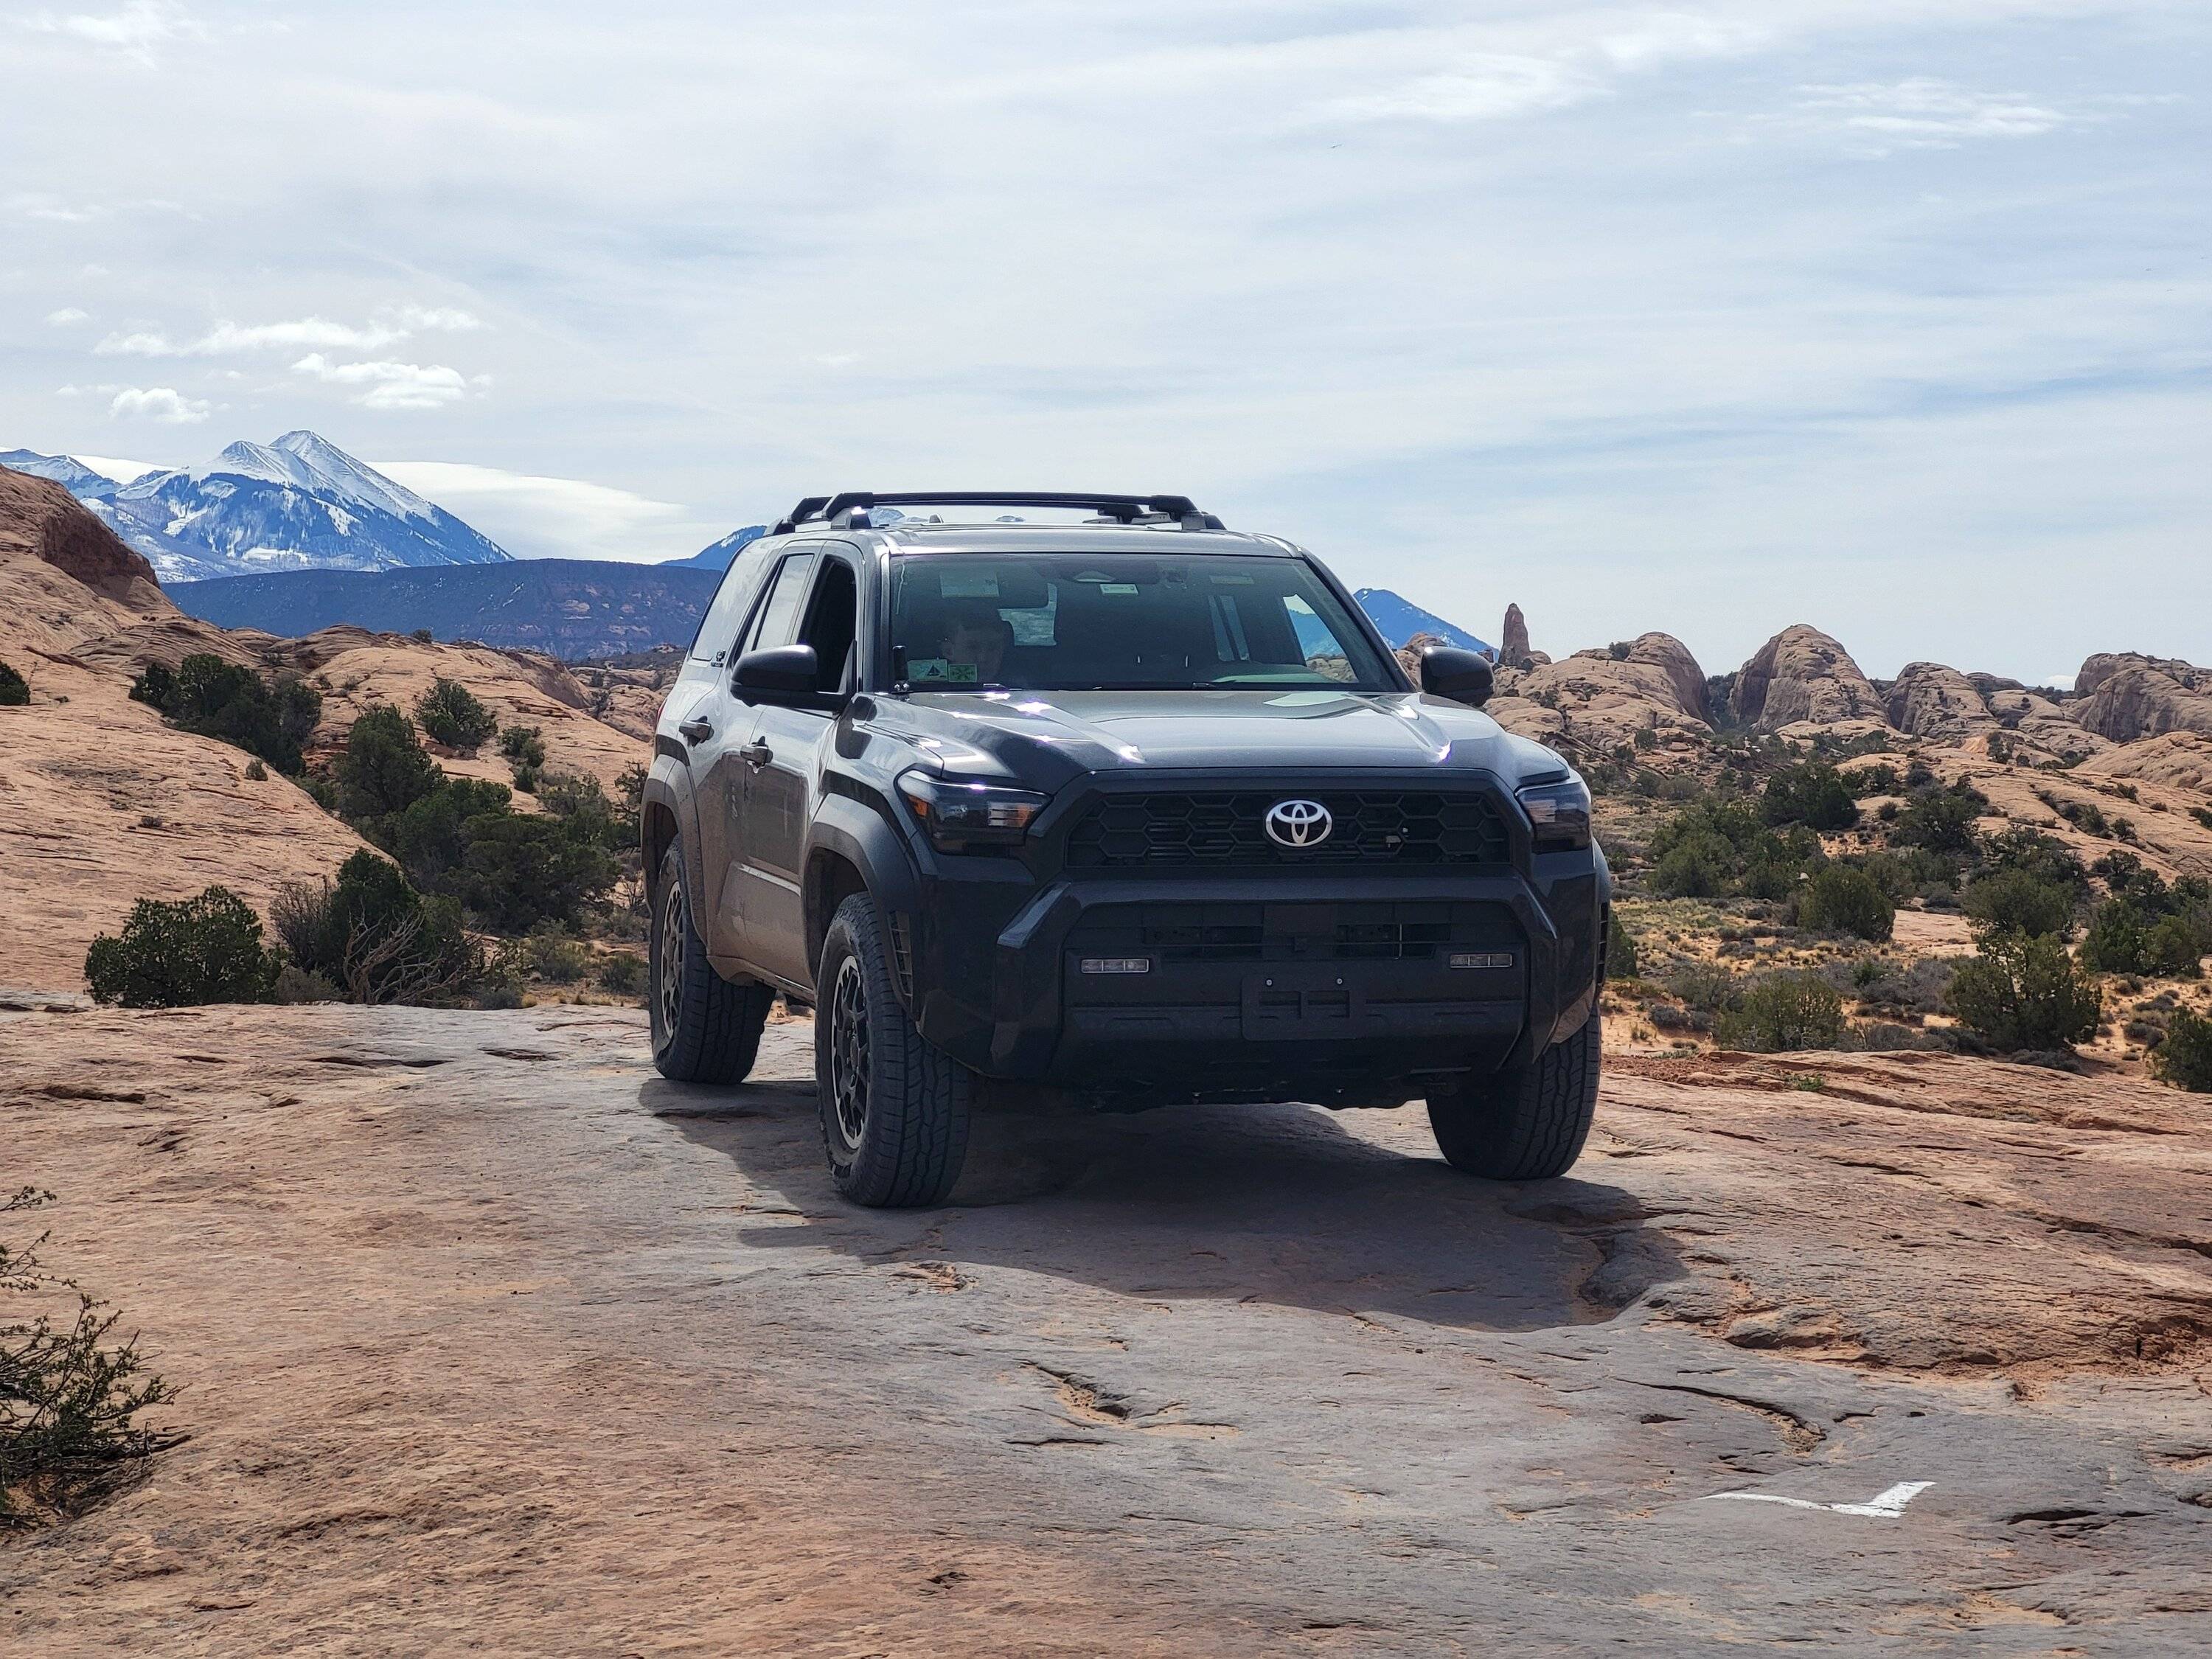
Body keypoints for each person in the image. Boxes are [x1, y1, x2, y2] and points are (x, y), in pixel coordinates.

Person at [939, 602, 1012, 684]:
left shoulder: (1024, 690)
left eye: (993, 648)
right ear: (949, 651)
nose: (983, 658)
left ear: (1002, 650)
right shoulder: (928, 694)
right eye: (973, 648)